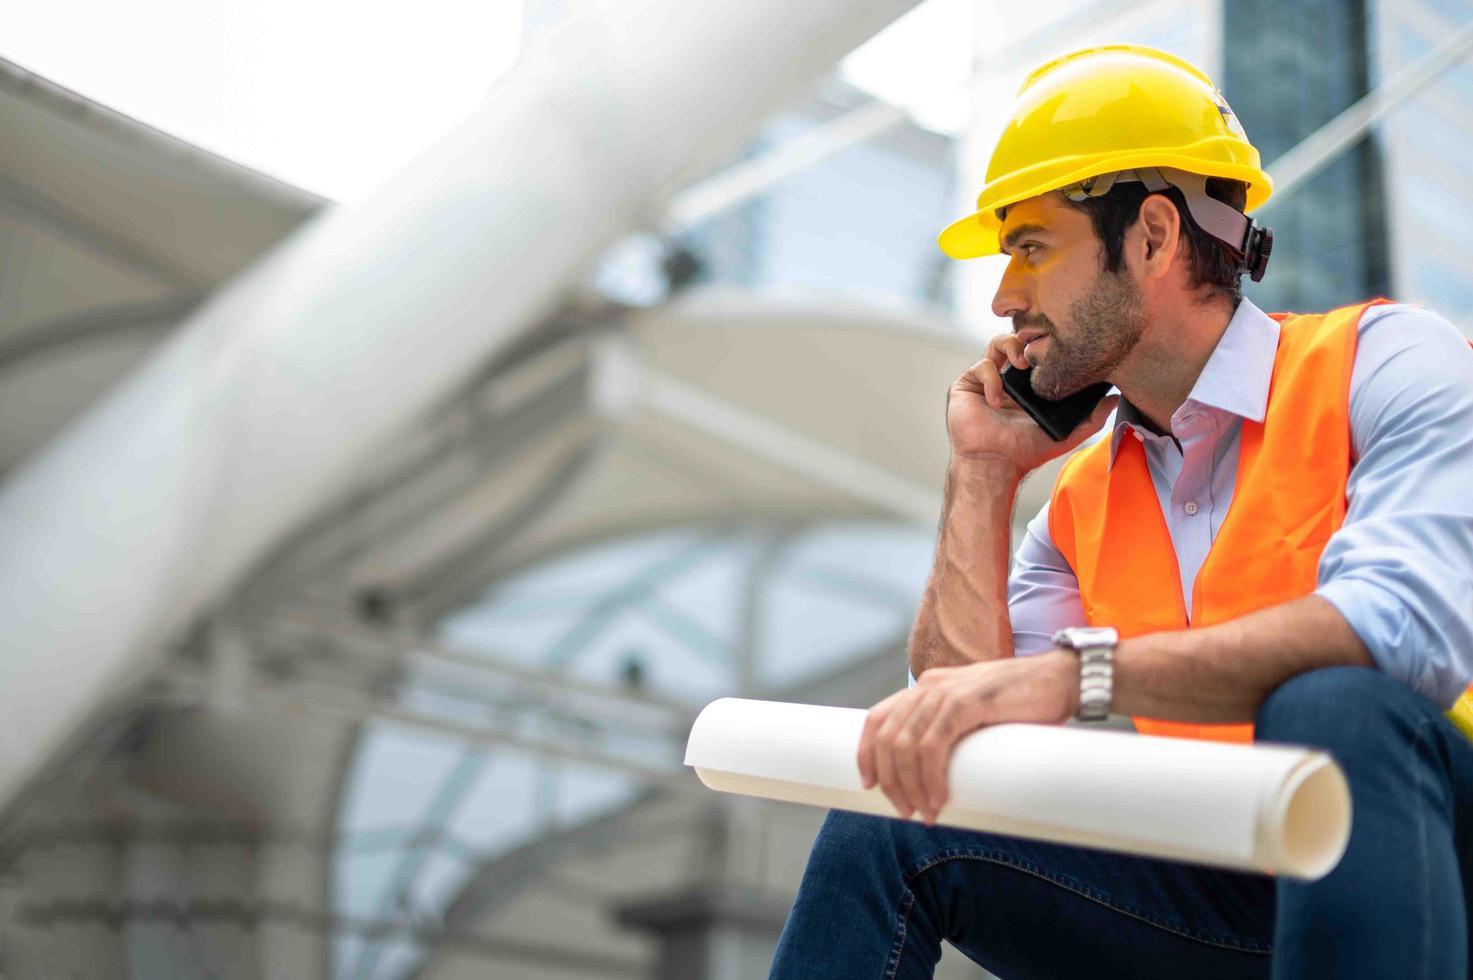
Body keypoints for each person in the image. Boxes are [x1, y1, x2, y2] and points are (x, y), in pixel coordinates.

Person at [768, 44, 1473, 979]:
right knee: (896, 818)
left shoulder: (1385, 364)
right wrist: (981, 473)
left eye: (1030, 247)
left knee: (1334, 704)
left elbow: (1398, 630)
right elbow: (957, 730)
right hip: (1251, 888)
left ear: (1149, 235)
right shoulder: (1079, 506)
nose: (1001, 297)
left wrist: (1075, 679)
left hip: (1434, 863)